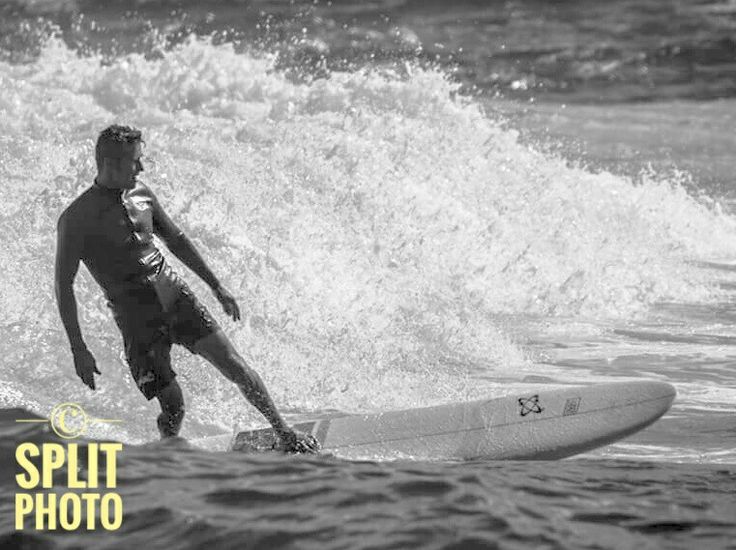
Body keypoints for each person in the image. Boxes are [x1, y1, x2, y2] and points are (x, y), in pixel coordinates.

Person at [54, 124, 319, 453]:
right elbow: (63, 285)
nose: (141, 168)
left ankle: (283, 432)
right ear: (110, 163)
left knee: (236, 367)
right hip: (138, 323)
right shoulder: (76, 219)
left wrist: (216, 285)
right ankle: (169, 452)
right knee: (174, 407)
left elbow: (176, 240)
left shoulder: (142, 195)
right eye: (135, 161)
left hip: (176, 298)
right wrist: (78, 348)